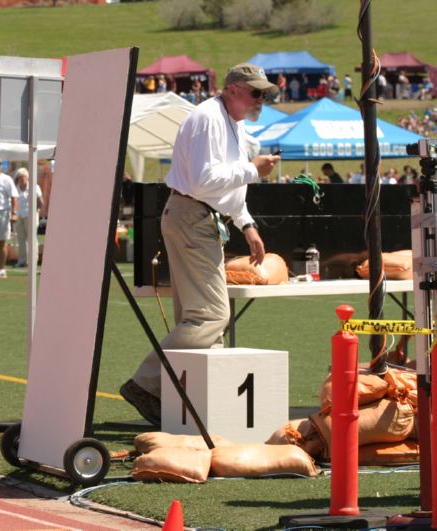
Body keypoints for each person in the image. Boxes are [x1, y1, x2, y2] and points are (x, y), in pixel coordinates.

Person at [119, 63, 280, 426]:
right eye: (256, 93)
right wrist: (254, 170)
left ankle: (198, 405)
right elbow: (206, 180)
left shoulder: (227, 121)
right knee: (210, 316)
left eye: (264, 93)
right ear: (233, 89)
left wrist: (247, 224)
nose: (261, 100)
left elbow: (222, 187)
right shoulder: (209, 118)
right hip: (194, 217)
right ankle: (146, 383)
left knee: (200, 318)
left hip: (197, 217)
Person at [13, 167, 43, 268]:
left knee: (32, 239)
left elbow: (40, 202)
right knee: (21, 239)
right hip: (19, 216)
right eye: (20, 177)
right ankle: (22, 260)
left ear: (28, 177)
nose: (21, 179)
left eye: (23, 177)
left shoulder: (34, 187)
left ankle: (33, 261)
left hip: (31, 215)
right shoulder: (15, 188)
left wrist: (36, 211)